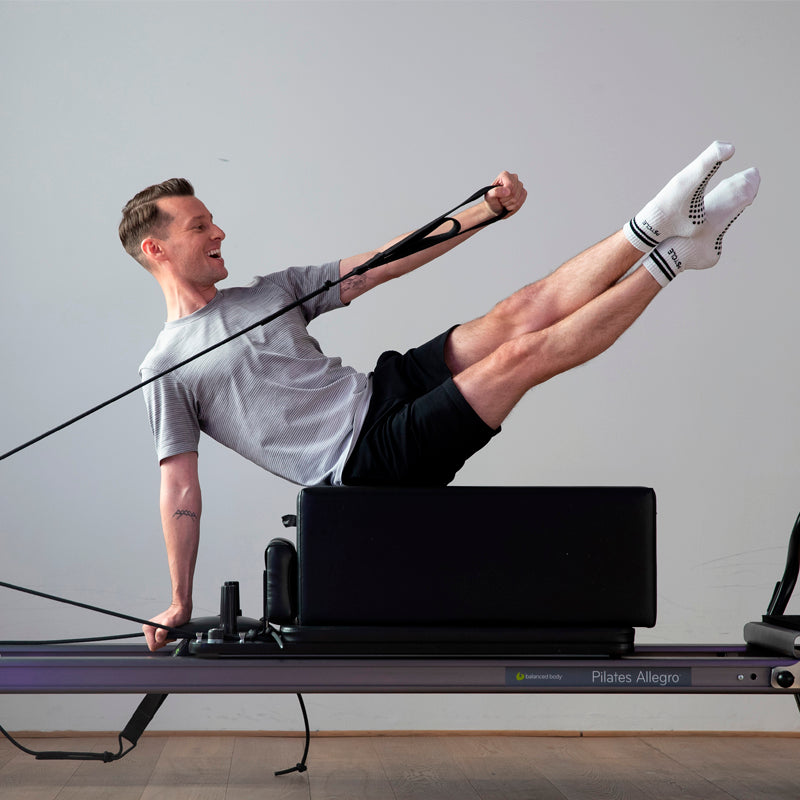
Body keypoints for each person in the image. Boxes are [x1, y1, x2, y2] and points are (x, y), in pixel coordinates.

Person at [119, 143, 759, 650]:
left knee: (518, 313)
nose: (219, 231)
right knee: (519, 358)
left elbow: (389, 259)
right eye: (200, 225)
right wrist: (179, 599)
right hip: (365, 466)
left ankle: (656, 225)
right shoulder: (166, 366)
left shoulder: (266, 293)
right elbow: (179, 487)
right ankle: (673, 257)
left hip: (380, 390)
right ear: (157, 249)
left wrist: (487, 209)